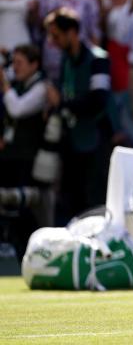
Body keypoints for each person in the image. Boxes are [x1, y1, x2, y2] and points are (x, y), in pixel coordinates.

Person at [44, 7, 112, 225]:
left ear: (72, 32)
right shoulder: (65, 60)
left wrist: (62, 103)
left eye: (56, 35)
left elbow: (98, 100)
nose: (52, 41)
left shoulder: (98, 59)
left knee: (93, 202)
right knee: (70, 201)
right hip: (72, 142)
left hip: (94, 141)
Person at [0, 44, 47, 261]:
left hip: (28, 159)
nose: (15, 67)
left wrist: (5, 84)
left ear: (34, 64)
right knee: (9, 209)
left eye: (20, 63)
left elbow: (17, 108)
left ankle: (34, 251)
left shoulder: (41, 87)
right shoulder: (18, 84)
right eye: (14, 62)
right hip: (10, 157)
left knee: (24, 209)